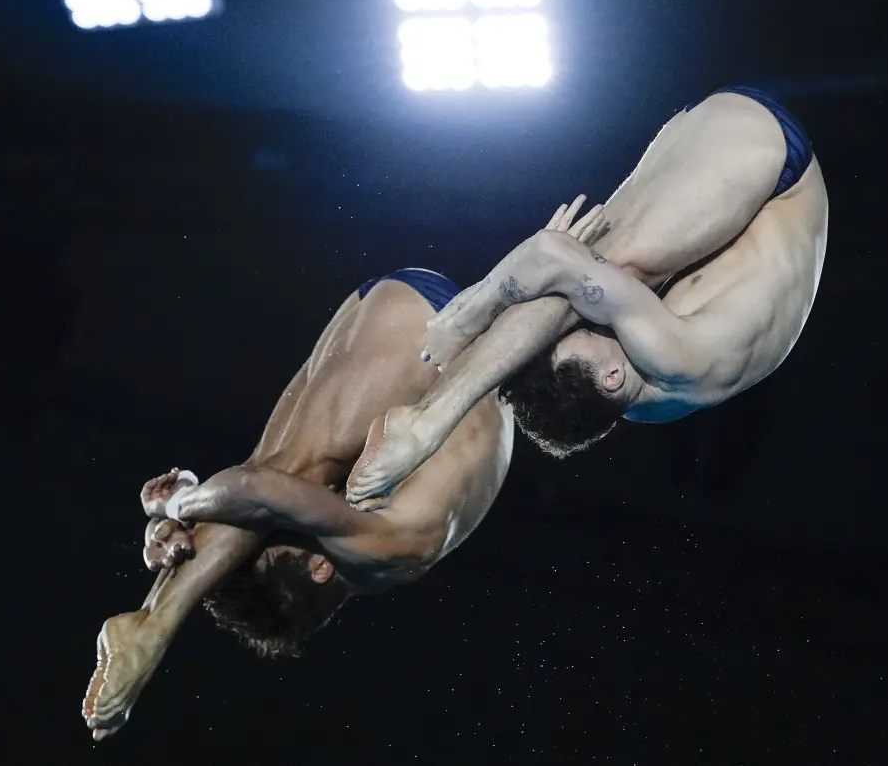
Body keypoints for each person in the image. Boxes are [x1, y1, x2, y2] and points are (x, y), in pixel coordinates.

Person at [81, 268, 516, 740]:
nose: (287, 520)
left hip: (440, 335)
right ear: (320, 568)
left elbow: (254, 488)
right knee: (293, 472)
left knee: (280, 465)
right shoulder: (381, 547)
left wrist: (179, 513)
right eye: (280, 533)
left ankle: (151, 618)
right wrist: (179, 507)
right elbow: (258, 491)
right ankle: (153, 626)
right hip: (441, 332)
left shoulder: (378, 557)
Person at [346, 86, 829, 505]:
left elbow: (549, 301)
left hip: (716, 155)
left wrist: (559, 271)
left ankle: (434, 411)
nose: (583, 321)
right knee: (607, 267)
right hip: (770, 156)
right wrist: (478, 306)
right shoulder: (674, 359)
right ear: (614, 377)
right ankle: (430, 423)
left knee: (595, 268)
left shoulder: (627, 397)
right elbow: (552, 256)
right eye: (585, 327)